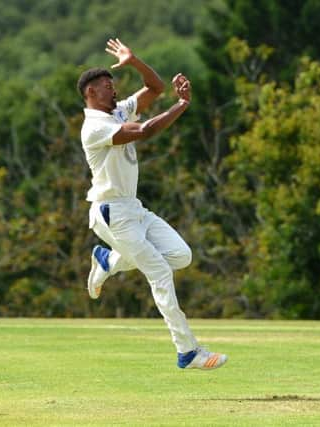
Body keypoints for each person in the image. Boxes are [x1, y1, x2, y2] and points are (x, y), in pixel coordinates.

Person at [77, 38, 227, 370]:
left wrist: (133, 61)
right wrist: (181, 106)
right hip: (111, 212)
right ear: (90, 93)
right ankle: (187, 351)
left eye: (113, 85)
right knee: (159, 270)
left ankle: (109, 262)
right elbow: (144, 131)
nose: (112, 90)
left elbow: (155, 87)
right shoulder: (95, 126)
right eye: (105, 87)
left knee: (181, 256)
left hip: (133, 208)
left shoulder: (115, 110)